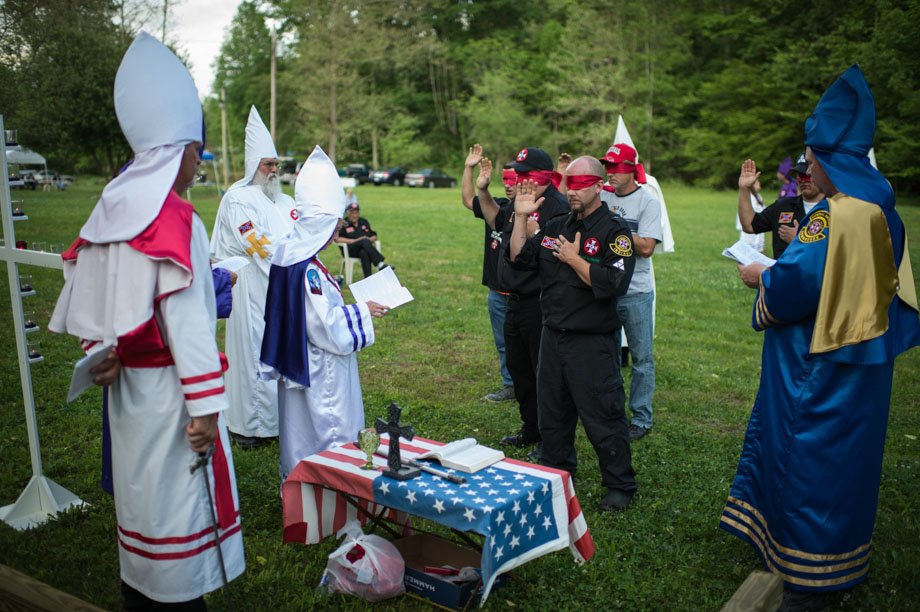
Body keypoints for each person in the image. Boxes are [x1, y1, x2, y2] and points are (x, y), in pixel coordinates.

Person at [48, 32, 245, 609]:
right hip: (171, 397)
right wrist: (207, 409)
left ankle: (142, 590)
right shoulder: (177, 218)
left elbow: (90, 284)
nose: (199, 161)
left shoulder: (111, 206)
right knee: (180, 509)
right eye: (197, 150)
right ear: (181, 149)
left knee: (142, 504)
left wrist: (100, 348)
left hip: (126, 390)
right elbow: (188, 323)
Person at [722, 65, 920, 610]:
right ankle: (840, 554)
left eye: (810, 162)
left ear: (827, 160)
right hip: (866, 360)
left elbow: (794, 286)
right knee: (849, 460)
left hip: (816, 363)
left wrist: (761, 275)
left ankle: (803, 570)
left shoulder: (830, 218)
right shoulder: (884, 209)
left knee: (804, 459)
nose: (807, 170)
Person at [509, 156, 637, 511]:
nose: (572, 189)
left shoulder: (615, 230)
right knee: (552, 413)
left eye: (581, 183)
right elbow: (519, 257)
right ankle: (557, 474)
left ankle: (619, 484)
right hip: (553, 336)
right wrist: (520, 216)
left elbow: (614, 284)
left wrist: (574, 259)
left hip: (591, 340)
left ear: (599, 185)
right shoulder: (556, 224)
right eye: (568, 182)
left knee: (603, 414)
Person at [261, 146, 390, 481]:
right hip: (321, 373)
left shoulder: (289, 254)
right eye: (333, 224)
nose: (337, 232)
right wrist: (363, 311)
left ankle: (301, 482)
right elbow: (326, 328)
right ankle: (330, 487)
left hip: (298, 363)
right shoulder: (309, 272)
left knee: (298, 428)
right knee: (328, 430)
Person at [210, 105, 298, 449]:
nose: (274, 170)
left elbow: (299, 233)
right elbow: (257, 245)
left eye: (276, 163)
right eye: (268, 164)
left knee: (278, 350)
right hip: (250, 286)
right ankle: (250, 427)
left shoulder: (282, 200)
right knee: (252, 353)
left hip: (280, 284)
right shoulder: (238, 199)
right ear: (253, 167)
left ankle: (279, 422)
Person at [481, 147, 570, 456]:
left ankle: (550, 439)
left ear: (542, 176)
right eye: (516, 174)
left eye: (524, 175)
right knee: (519, 372)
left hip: (540, 302)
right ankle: (530, 427)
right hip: (512, 300)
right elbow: (497, 222)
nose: (518, 180)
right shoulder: (519, 202)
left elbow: (560, 253)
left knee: (542, 374)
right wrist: (483, 191)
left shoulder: (558, 207)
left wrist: (537, 232)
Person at [599, 143, 662, 440]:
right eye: (607, 167)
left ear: (630, 169)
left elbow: (647, 248)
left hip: (635, 290)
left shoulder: (647, 200)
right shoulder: (602, 194)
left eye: (616, 167)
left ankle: (641, 418)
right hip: (605, 288)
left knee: (641, 359)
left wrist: (616, 224)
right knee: (606, 356)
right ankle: (611, 412)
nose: (610, 173)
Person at [460, 143, 514, 402]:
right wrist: (468, 168)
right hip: (497, 292)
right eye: (506, 180)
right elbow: (468, 200)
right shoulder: (497, 207)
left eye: (515, 180)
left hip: (523, 295)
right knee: (503, 343)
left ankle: (534, 385)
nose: (510, 185)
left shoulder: (536, 212)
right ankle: (510, 384)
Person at [737, 152, 826, 259]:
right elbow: (749, 225)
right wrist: (744, 188)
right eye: (800, 175)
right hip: (784, 274)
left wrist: (799, 240)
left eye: (808, 176)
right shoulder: (783, 206)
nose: (803, 180)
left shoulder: (834, 209)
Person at [334, 201, 390, 278]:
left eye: (356, 213)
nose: (354, 215)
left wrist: (370, 239)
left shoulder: (363, 221)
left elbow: (374, 234)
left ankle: (368, 278)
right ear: (348, 213)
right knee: (363, 241)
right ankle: (380, 264)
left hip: (365, 248)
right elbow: (337, 239)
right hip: (350, 250)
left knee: (364, 251)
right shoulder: (343, 223)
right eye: (352, 213)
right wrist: (356, 241)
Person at [735, 177, 766, 253]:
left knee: (758, 241)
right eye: (757, 182)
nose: (759, 184)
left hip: (758, 223)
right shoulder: (749, 197)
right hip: (751, 223)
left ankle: (757, 252)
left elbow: (763, 209)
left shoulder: (758, 196)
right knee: (748, 241)